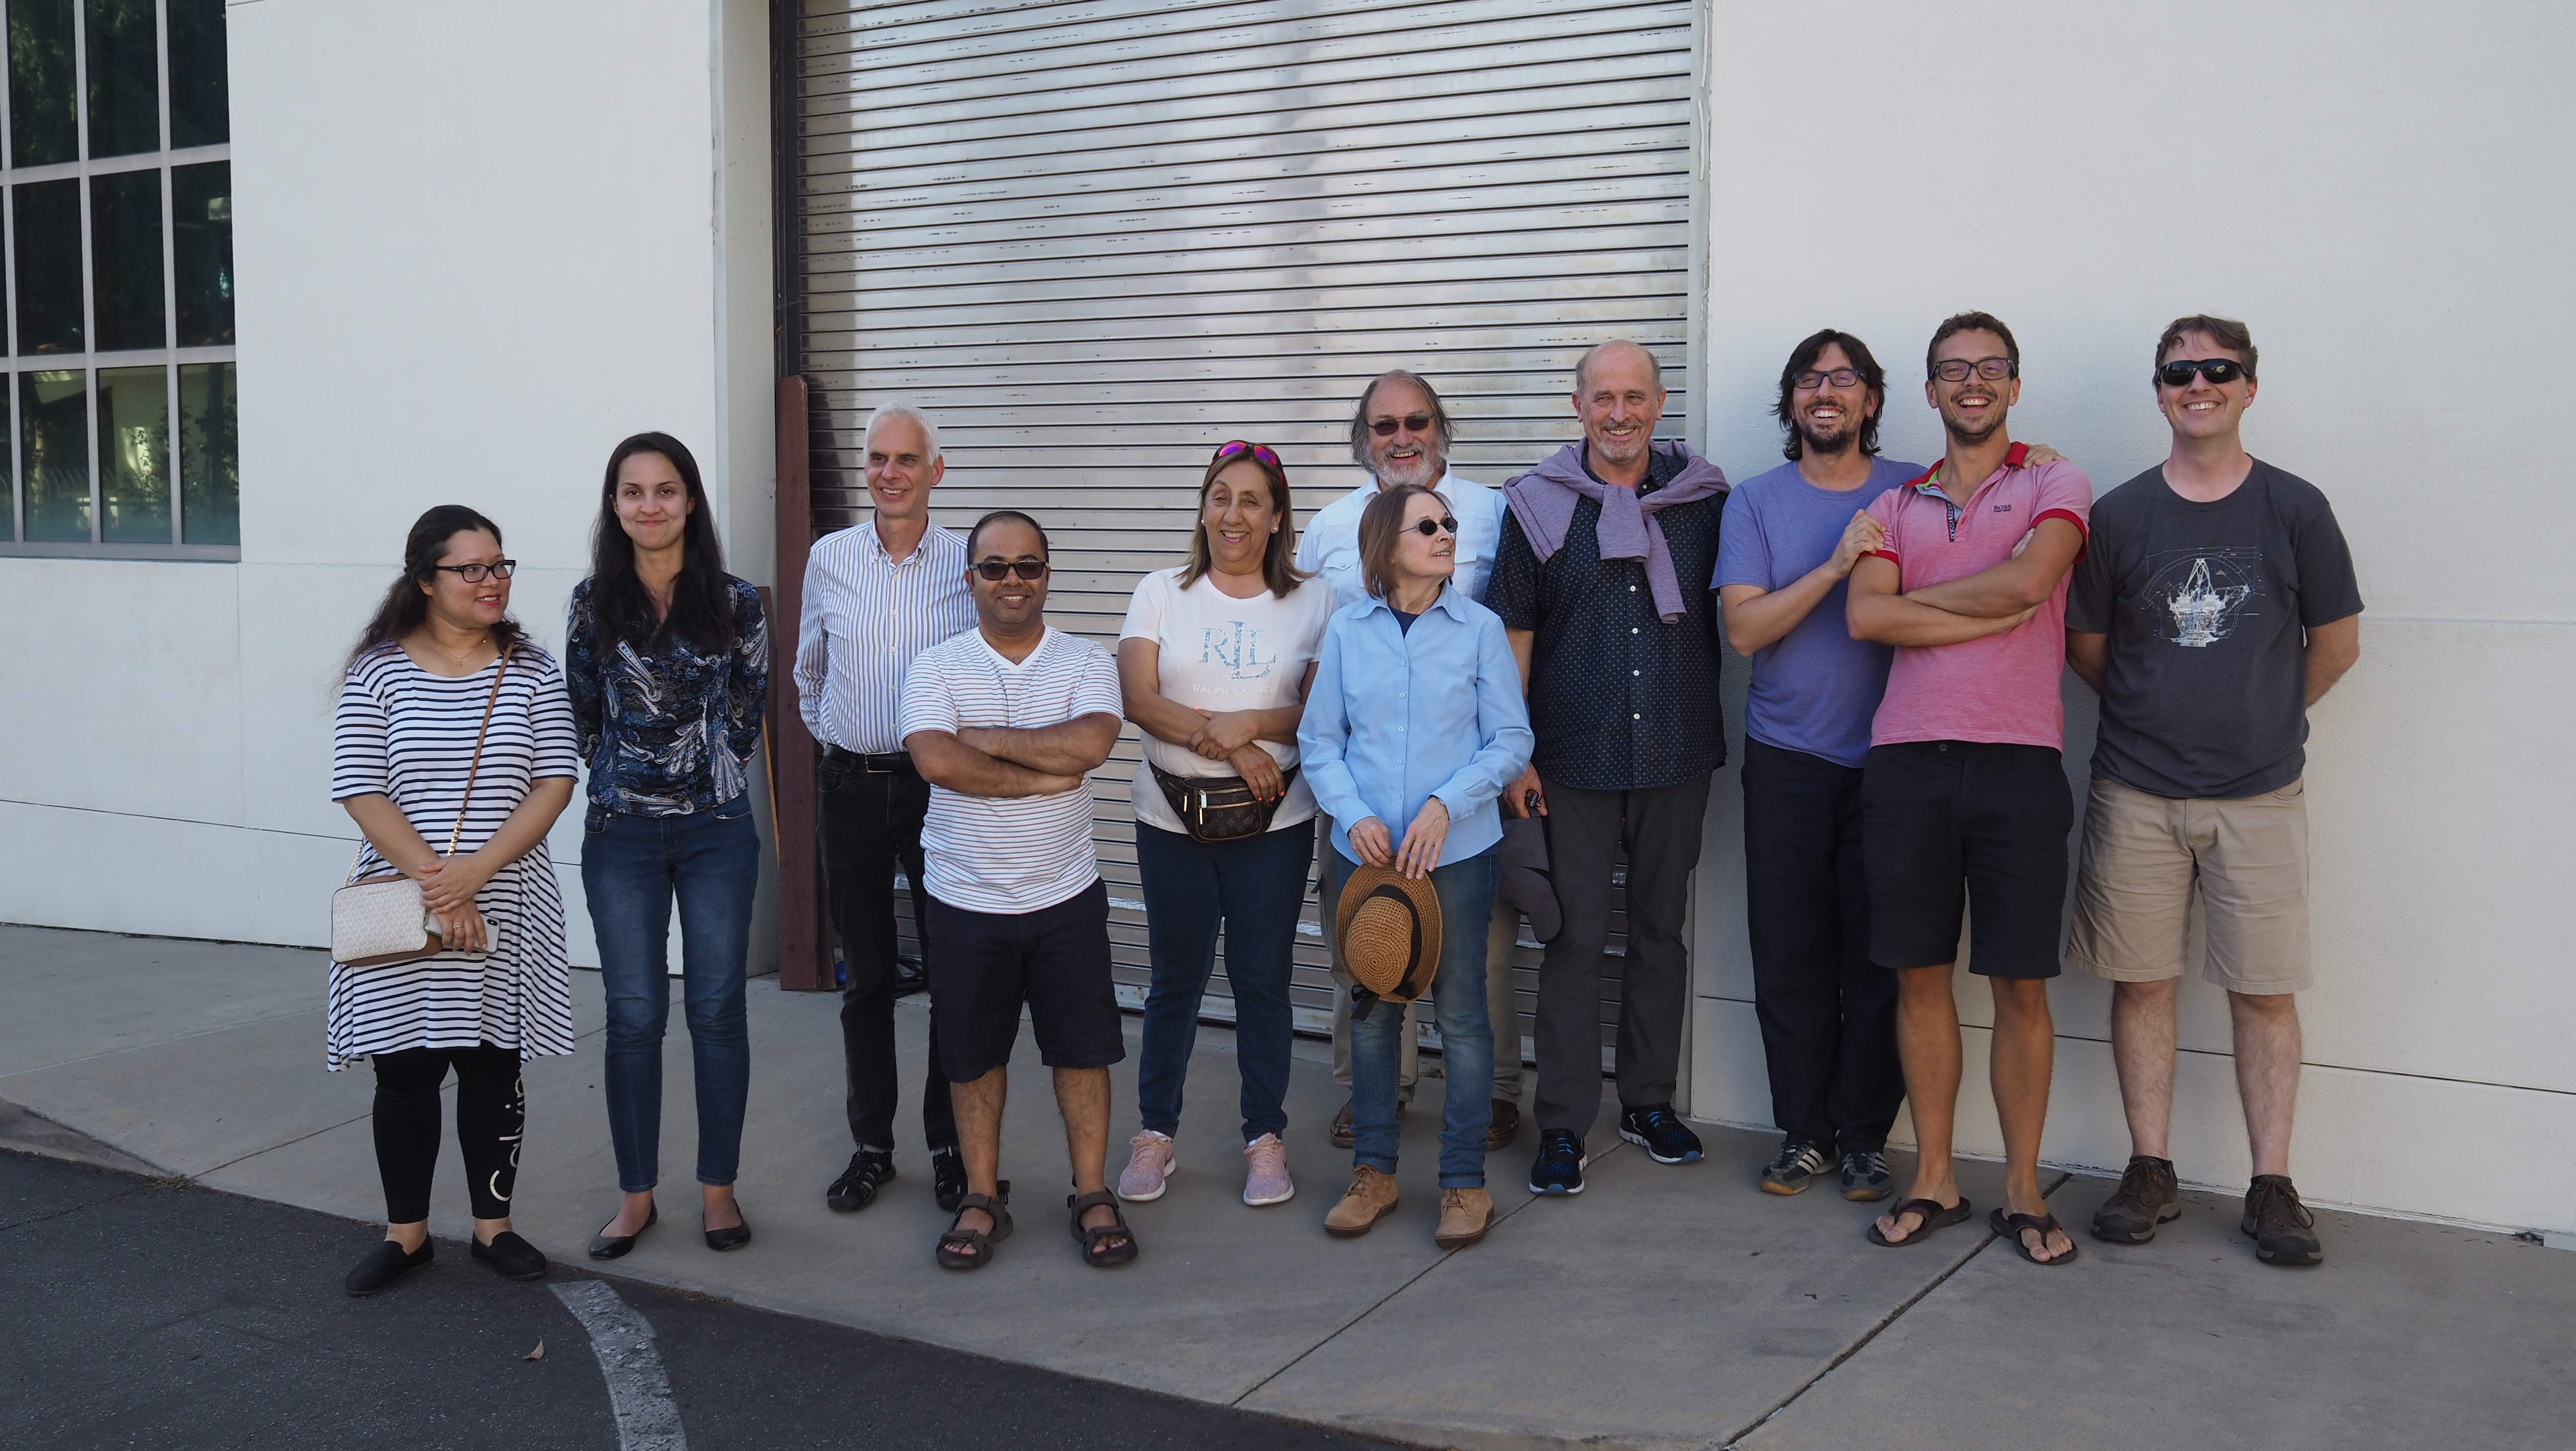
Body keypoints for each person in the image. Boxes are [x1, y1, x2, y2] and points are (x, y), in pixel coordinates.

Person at [2067, 316, 2362, 1267]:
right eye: (2180, 371)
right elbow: (2088, 649)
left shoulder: (2296, 509)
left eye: (2218, 369)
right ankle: (2149, 1167)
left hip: (2260, 797)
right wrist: (2161, 717)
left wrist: (2261, 718)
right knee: (2142, 982)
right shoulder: (2119, 516)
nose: (2200, 384)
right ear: (2159, 391)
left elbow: (2338, 644)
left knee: (2264, 993)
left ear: (2249, 386)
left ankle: (2272, 1185)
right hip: (2136, 792)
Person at [1845, 311, 2092, 1266]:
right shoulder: (1896, 503)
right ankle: (1936, 1179)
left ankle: (2023, 1191)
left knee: (2020, 982)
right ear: (1930, 390)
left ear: (2014, 386)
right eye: (1954, 370)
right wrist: (1983, 602)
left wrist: (1924, 602)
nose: (1973, 383)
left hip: (2019, 762)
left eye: (1991, 368)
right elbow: (1866, 619)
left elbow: (2032, 584)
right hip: (1907, 762)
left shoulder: (2055, 481)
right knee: (1918, 975)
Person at [1488, 339, 1731, 1196]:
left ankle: (1648, 1103)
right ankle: (1563, 1123)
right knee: (1574, 939)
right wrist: (1514, 755)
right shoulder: (1536, 506)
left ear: (1659, 405)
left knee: (1661, 934)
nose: (1619, 414)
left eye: (1634, 397)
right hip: (1570, 758)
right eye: (1603, 398)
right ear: (1579, 407)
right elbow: (1513, 634)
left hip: (1676, 749)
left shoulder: (1705, 501)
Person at [329, 505, 579, 1295]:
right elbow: (361, 789)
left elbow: (555, 782)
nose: (491, 580)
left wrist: (475, 874)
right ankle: (406, 1236)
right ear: (426, 581)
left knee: (492, 1068)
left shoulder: (531, 669)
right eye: (471, 568)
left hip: (506, 897)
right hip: (402, 904)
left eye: (500, 565)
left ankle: (492, 1228)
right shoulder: (377, 671)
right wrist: (441, 883)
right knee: (404, 1072)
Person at [1295, 371, 1527, 1151]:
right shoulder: (1330, 531)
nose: (1402, 438)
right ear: (1364, 438)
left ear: (1440, 427)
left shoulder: (1493, 514)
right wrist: (1350, 808)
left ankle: (1485, 1105)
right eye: (1385, 425)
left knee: (1474, 970)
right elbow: (1319, 706)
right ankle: (1376, 1105)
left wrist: (1459, 798)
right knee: (1366, 964)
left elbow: (1510, 700)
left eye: (1417, 421)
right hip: (1361, 812)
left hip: (1459, 816)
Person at [899, 511, 1135, 1269]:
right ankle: (980, 1196)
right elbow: (936, 760)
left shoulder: (1086, 660)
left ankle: (1092, 1192)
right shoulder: (936, 666)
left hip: (1065, 896)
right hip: (964, 900)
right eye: (995, 567)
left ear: (1047, 576)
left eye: (1027, 566)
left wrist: (985, 739)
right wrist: (1041, 775)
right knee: (972, 1059)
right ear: (970, 578)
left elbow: (1092, 742)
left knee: (1083, 1053)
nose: (1012, 580)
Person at [1717, 330, 1920, 1202]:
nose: (1825, 392)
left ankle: (1866, 1138)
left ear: (1871, 400)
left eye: (1844, 379)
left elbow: (2001, 499)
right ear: (1792, 400)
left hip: (1896, 760)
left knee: (1881, 961)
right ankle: (1805, 1133)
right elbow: (1744, 631)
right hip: (1788, 760)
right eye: (1809, 379)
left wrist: (2038, 458)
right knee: (1790, 955)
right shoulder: (1755, 503)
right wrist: (1836, 565)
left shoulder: (1912, 490)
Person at [1114, 442, 1333, 1209]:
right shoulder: (1160, 592)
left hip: (1275, 826)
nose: (1232, 514)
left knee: (1262, 979)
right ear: (1203, 509)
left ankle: (1264, 1137)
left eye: (1250, 501)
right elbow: (1138, 698)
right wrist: (1236, 748)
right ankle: (1155, 1132)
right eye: (1219, 497)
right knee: (1174, 978)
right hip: (1169, 819)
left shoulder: (1316, 600)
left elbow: (1318, 710)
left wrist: (1252, 725)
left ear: (1276, 519)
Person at [568, 433, 768, 1259]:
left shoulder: (736, 600)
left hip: (716, 830)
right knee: (634, 1016)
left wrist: (698, 777)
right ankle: (637, 1197)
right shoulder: (593, 601)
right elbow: (584, 712)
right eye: (633, 491)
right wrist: (633, 779)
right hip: (620, 834)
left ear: (690, 501)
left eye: (665, 490)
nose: (649, 506)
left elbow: (750, 708)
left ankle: (718, 1191)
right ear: (615, 505)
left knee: (716, 1011)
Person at [796, 403, 973, 1215]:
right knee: (865, 977)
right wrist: (846, 744)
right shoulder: (829, 558)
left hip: (942, 789)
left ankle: (950, 1145)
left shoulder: (967, 562)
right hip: (853, 787)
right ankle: (872, 1147)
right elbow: (809, 672)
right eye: (877, 458)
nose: (889, 473)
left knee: (951, 972)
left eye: (906, 459)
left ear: (937, 470)